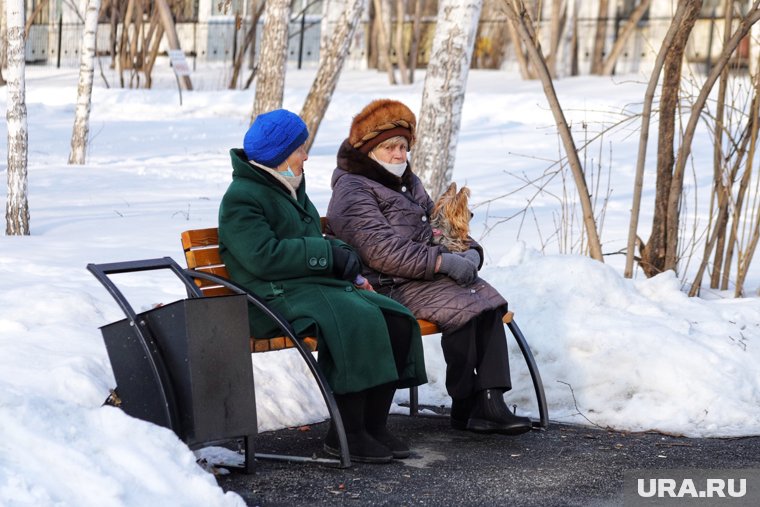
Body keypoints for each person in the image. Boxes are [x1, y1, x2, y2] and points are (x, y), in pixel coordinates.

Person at [218, 109, 427, 463]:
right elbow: (261, 257)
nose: (305, 156)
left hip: (307, 290)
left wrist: (346, 264)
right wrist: (326, 255)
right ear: (280, 154)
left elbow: (318, 239)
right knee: (355, 320)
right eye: (300, 149)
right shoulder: (242, 197)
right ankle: (346, 432)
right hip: (269, 300)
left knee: (395, 317)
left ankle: (373, 426)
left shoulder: (288, 188)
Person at [326, 99, 532, 435]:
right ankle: (467, 402)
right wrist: (442, 262)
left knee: (489, 300)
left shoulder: (408, 183)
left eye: (403, 147)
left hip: (421, 277)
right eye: (390, 147)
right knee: (462, 306)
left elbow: (440, 228)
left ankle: (491, 399)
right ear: (368, 150)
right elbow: (382, 252)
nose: (399, 156)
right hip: (387, 285)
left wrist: (469, 253)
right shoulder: (353, 190)